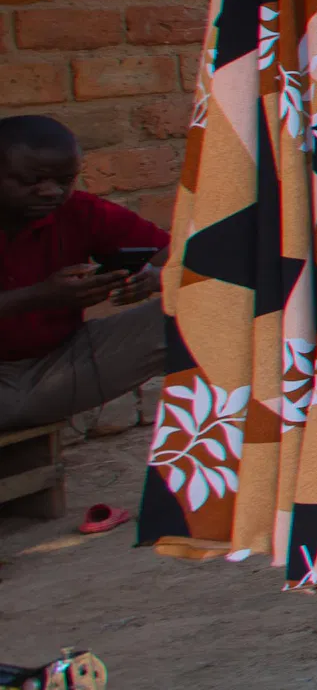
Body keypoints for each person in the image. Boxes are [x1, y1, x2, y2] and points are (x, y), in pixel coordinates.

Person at [0, 116, 172, 532]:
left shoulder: (80, 212)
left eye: (65, 180)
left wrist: (150, 279)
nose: (51, 191)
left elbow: (183, 255)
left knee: (203, 307)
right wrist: (36, 296)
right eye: (32, 180)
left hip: (58, 368)